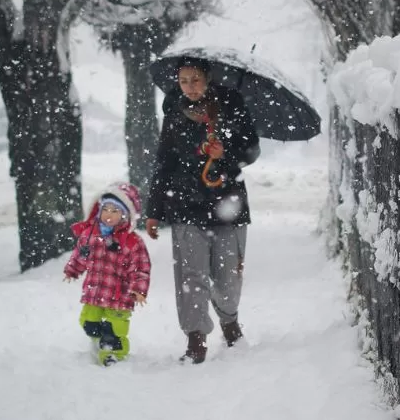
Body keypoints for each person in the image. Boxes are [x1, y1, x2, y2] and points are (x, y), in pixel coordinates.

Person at [145, 57, 261, 364]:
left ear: (207, 79)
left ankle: (229, 319)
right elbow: (164, 162)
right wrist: (154, 209)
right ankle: (195, 338)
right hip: (186, 206)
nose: (190, 87)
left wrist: (227, 152)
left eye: (195, 80)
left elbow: (252, 149)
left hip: (228, 204)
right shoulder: (173, 112)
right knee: (190, 275)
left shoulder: (232, 105)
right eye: (184, 81)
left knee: (227, 277)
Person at [64, 182, 151, 366]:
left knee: (115, 329)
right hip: (94, 291)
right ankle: (98, 341)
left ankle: (113, 354)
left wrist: (139, 289)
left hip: (119, 296)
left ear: (125, 216)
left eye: (115, 211)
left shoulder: (132, 241)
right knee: (88, 322)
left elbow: (141, 267)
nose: (108, 215)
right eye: (106, 209)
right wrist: (73, 269)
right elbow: (80, 254)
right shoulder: (90, 234)